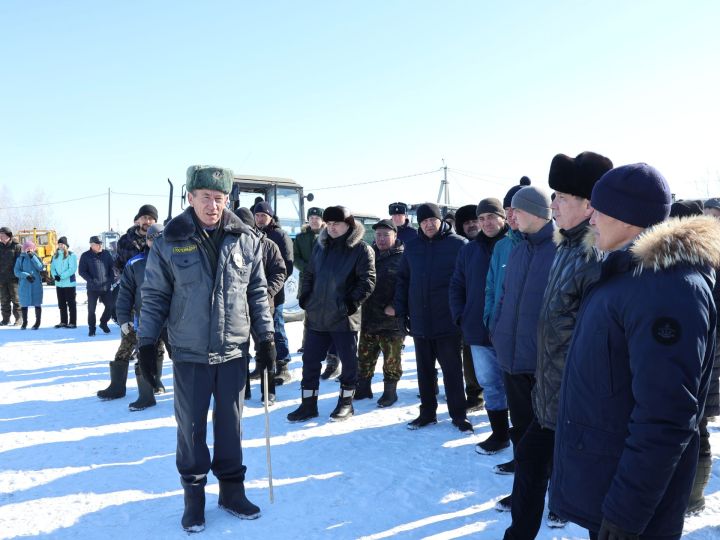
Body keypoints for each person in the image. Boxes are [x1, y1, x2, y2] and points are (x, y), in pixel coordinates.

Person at [549, 163, 718, 540]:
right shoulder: (624, 274)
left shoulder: (666, 289)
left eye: (600, 208)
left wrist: (627, 510)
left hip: (634, 505)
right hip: (610, 476)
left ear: (629, 216)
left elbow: (665, 416)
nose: (589, 215)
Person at [137, 165, 276, 532]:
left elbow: (258, 293)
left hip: (233, 351)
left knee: (231, 426)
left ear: (227, 199)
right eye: (205, 198)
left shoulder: (246, 238)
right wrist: (147, 343)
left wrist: (265, 338)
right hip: (189, 352)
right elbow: (153, 297)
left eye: (219, 198)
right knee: (192, 428)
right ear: (190, 197)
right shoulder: (171, 239)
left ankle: (232, 491)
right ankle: (193, 497)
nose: (212, 206)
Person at [503, 151, 612, 539]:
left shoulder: (595, 255)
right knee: (530, 467)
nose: (553, 205)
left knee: (595, 501)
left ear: (589, 205)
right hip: (550, 398)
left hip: (579, 403)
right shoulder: (565, 246)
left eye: (562, 197)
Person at [492, 186, 556, 507]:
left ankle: (558, 498)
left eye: (516, 211)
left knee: (549, 437)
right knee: (521, 431)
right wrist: (499, 331)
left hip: (543, 364)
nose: (510, 216)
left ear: (536, 212)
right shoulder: (517, 249)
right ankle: (524, 494)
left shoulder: (561, 250)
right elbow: (504, 297)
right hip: (512, 359)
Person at [288, 205, 376, 422]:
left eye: (337, 224)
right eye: (330, 224)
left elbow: (368, 281)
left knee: (348, 363)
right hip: (316, 315)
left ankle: (346, 403)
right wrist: (305, 295)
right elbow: (309, 273)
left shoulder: (361, 250)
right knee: (310, 362)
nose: (333, 228)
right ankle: (308, 404)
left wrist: (350, 303)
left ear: (349, 225)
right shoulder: (321, 246)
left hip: (343, 318)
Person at [392, 202, 472, 433]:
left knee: (452, 371)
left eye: (432, 220)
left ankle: (459, 415)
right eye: (424, 221)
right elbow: (403, 280)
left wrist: (462, 313)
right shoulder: (412, 246)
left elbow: (467, 282)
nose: (428, 225)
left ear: (441, 221)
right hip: (420, 319)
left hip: (447, 319)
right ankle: (427, 412)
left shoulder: (458, 245)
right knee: (424, 371)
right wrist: (401, 311)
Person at [669, 199, 719, 517]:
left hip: (706, 355)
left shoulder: (704, 258)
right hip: (695, 353)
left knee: (696, 427)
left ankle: (695, 496)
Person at [450, 198, 511, 451]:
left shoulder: (514, 245)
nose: (485, 223)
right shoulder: (469, 250)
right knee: (489, 384)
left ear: (502, 218)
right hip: (477, 329)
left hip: (510, 330)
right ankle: (499, 434)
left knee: (517, 387)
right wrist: (461, 316)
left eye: (490, 217)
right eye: (481, 218)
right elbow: (457, 285)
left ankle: (522, 436)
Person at [115, 223, 171, 411]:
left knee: (181, 357)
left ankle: (180, 392)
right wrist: (123, 318)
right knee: (144, 353)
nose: (155, 243)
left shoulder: (177, 258)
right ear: (146, 240)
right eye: (151, 238)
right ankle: (146, 394)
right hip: (146, 318)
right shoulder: (135, 263)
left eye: (159, 238)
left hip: (174, 319)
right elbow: (125, 293)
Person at [235, 207, 287, 404]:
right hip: (236, 308)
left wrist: (267, 293)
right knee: (240, 351)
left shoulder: (268, 245)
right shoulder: (230, 244)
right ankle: (243, 388)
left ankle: (268, 390)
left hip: (263, 306)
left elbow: (280, 271)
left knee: (266, 350)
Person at [355, 218, 405, 407]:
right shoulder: (368, 254)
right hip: (369, 317)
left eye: (386, 234)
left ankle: (390, 392)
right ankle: (363, 387)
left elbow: (407, 287)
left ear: (395, 235)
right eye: (378, 235)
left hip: (392, 321)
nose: (381, 239)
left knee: (391, 360)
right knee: (365, 356)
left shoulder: (403, 258)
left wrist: (396, 305)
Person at [452, 204, 487, 412]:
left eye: (474, 220)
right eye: (466, 222)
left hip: (495, 313)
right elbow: (456, 284)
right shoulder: (462, 249)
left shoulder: (500, 244)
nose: (472, 225)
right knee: (470, 358)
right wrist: (459, 313)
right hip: (469, 313)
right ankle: (474, 395)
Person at [282, 206, 324, 379]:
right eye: (311, 217)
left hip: (325, 281)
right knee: (309, 314)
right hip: (307, 280)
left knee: (325, 314)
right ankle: (306, 344)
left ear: (322, 220)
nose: (314, 220)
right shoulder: (300, 238)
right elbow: (295, 257)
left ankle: (325, 348)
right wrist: (307, 269)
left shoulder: (328, 236)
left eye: (317, 218)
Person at [253, 201, 294, 371]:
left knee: (276, 329)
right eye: (257, 215)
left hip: (275, 294)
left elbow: (287, 267)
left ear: (271, 217)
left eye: (264, 215)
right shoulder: (251, 235)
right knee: (259, 332)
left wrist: (271, 289)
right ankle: (261, 364)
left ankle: (282, 365)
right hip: (255, 294)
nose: (260, 219)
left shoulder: (280, 236)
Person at [78, 236, 114, 336]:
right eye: (97, 244)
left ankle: (103, 323)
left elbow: (112, 267)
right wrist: (91, 280)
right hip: (93, 288)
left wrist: (110, 279)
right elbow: (82, 271)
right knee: (91, 310)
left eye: (100, 244)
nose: (100, 246)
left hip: (106, 287)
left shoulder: (106, 254)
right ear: (92, 245)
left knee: (111, 306)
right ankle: (92, 329)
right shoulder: (86, 256)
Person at [13, 240, 44, 330]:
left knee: (37, 303)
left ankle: (37, 322)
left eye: (30, 248)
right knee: (24, 304)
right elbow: (16, 271)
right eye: (27, 248)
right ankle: (25, 322)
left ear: (33, 249)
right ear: (23, 249)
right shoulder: (20, 259)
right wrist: (26, 276)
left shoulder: (36, 257)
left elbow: (40, 267)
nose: (28, 250)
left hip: (36, 285)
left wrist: (32, 257)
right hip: (24, 285)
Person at [50, 236, 78, 328]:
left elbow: (72, 269)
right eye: (59, 244)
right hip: (59, 284)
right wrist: (55, 276)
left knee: (71, 304)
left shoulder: (71, 255)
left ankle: (72, 322)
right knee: (61, 304)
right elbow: (52, 268)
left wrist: (61, 276)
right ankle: (63, 321)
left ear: (65, 245)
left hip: (69, 284)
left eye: (62, 244)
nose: (60, 246)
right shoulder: (55, 255)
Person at [0, 226, 22, 326]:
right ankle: (5, 319)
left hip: (14, 278)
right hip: (2, 278)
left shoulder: (16, 246)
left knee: (16, 300)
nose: (1, 236)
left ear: (9, 235)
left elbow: (20, 262)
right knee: (4, 300)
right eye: (0, 234)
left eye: (3, 234)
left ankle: (19, 319)